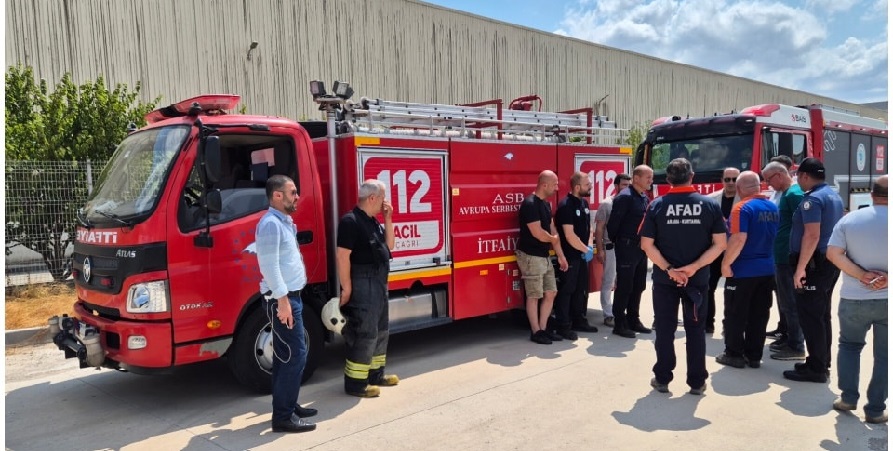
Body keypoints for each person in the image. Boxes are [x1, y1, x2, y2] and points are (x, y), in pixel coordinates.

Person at [640, 158, 727, 394]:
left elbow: (647, 245)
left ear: (668, 180)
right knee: (696, 331)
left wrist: (670, 269)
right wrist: (694, 267)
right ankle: (697, 382)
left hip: (664, 280)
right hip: (697, 281)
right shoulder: (709, 205)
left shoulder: (657, 205)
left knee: (665, 330)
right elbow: (720, 244)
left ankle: (663, 378)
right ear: (692, 176)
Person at [255, 175, 317, 433]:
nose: (297, 196)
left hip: (290, 297)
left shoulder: (283, 221)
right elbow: (268, 266)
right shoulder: (271, 224)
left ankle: (288, 404)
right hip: (284, 299)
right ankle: (283, 417)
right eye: (292, 192)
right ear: (277, 196)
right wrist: (283, 301)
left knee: (285, 356)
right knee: (294, 356)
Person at [826, 175, 888, 424]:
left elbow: (833, 253)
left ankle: (848, 398)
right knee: (885, 356)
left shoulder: (849, 220)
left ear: (872, 194)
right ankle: (875, 409)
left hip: (854, 298)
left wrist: (863, 276)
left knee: (850, 346)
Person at [782, 158, 843, 383]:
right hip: (827, 263)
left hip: (813, 265)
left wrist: (800, 269)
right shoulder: (832, 195)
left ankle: (817, 368)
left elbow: (812, 235)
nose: (798, 180)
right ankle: (820, 360)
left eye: (799, 176)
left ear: (805, 176)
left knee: (810, 316)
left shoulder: (813, 200)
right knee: (821, 314)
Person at [337, 179, 398, 397]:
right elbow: (342, 256)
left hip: (379, 281)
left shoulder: (373, 221)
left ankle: (376, 374)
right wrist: (347, 288)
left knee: (381, 330)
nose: (385, 202)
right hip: (364, 282)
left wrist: (388, 219)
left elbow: (390, 246)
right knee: (365, 332)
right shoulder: (350, 221)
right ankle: (355, 383)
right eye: (383, 198)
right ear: (372, 198)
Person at [715, 172, 779, 369]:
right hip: (767, 270)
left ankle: (733, 354)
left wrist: (725, 264)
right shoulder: (772, 207)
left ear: (741, 189)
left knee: (735, 313)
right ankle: (754, 355)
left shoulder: (741, 208)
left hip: (742, 271)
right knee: (759, 314)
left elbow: (738, 238)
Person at [517, 170, 569, 344]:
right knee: (534, 295)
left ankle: (544, 328)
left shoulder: (546, 205)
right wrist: (553, 239)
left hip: (544, 256)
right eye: (554, 184)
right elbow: (538, 232)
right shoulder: (530, 204)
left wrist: (561, 256)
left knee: (551, 292)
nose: (557, 188)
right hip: (531, 256)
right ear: (544, 185)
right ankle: (536, 332)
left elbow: (552, 230)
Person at [761, 161, 806, 361]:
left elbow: (808, 226)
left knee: (790, 303)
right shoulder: (786, 194)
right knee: (784, 302)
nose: (769, 184)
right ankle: (788, 338)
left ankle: (796, 346)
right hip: (781, 255)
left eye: (769, 179)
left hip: (788, 257)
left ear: (779, 175)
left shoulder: (794, 195)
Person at [606, 165, 653, 338]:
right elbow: (613, 225)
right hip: (627, 246)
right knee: (625, 286)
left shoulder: (643, 197)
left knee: (638, 285)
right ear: (637, 177)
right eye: (648, 177)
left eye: (651, 177)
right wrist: (620, 242)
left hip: (641, 248)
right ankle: (620, 323)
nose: (651, 180)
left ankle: (634, 319)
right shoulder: (625, 197)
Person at [554, 171, 599, 339]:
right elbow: (569, 234)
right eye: (588, 184)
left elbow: (589, 229)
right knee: (567, 290)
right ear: (577, 187)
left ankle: (579, 320)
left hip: (581, 254)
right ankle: (563, 326)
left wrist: (588, 246)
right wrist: (583, 250)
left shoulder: (584, 204)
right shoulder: (566, 205)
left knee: (581, 289)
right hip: (570, 255)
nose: (591, 186)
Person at [705, 167, 740, 334]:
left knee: (733, 291)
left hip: (736, 251)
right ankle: (707, 323)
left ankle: (730, 325)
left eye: (735, 179)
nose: (731, 183)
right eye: (728, 179)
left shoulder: (745, 199)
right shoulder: (711, 199)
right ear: (722, 181)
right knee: (707, 287)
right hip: (714, 250)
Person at [595, 173, 632, 327]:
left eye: (628, 186)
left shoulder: (631, 202)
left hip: (627, 248)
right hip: (610, 247)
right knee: (609, 281)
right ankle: (608, 314)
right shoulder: (607, 204)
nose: (626, 189)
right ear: (616, 186)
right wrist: (600, 249)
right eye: (624, 185)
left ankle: (620, 311)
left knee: (624, 282)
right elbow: (599, 228)